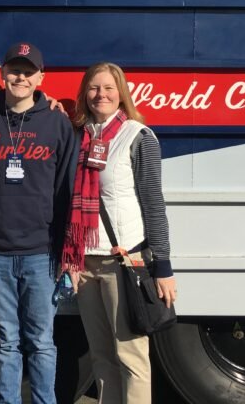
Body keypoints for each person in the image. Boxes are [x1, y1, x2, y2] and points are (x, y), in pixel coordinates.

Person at [62, 62, 177, 404]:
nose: (102, 95)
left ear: (121, 93)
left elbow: (153, 203)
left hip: (123, 261)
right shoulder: (78, 137)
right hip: (83, 264)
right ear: (85, 94)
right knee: (101, 358)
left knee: (132, 359)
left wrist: (164, 266)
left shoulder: (138, 137)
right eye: (94, 88)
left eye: (109, 88)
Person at [0, 42, 76, 404]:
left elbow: (67, 190)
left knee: (42, 341)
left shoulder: (57, 123)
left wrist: (67, 253)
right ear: (2, 74)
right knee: (7, 341)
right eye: (14, 70)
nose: (20, 77)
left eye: (28, 71)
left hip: (40, 253)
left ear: (40, 78)